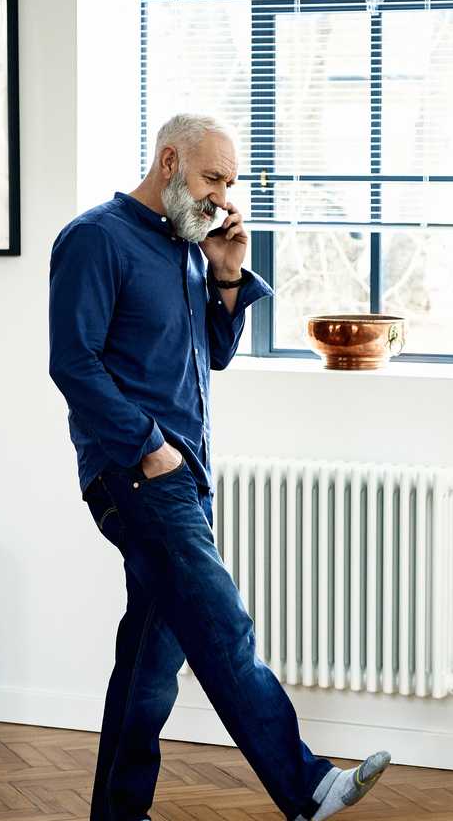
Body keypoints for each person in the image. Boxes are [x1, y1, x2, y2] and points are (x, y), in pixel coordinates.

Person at [49, 113, 390, 821]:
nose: (222, 198)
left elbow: (213, 354)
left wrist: (228, 274)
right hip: (136, 472)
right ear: (168, 161)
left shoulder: (185, 247)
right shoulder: (94, 240)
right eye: (212, 179)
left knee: (151, 657)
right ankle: (308, 788)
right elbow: (72, 363)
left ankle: (117, 814)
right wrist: (148, 444)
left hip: (185, 477)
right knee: (224, 629)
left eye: (230, 184)